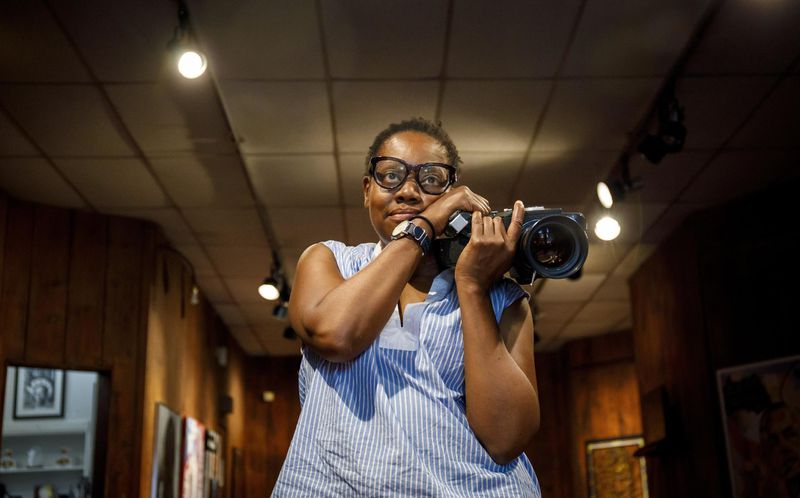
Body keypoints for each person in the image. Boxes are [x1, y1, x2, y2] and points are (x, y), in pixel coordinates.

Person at [272, 117, 541, 497]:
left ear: (452, 191)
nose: (409, 192)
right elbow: (337, 335)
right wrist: (425, 224)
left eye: (431, 179)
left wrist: (472, 287)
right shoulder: (329, 261)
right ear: (367, 190)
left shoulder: (501, 297)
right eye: (391, 175)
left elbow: (506, 439)